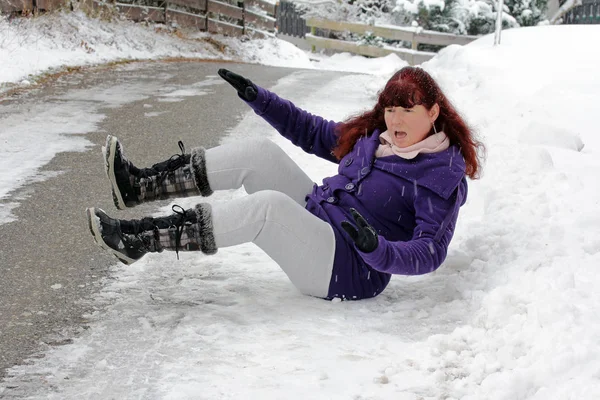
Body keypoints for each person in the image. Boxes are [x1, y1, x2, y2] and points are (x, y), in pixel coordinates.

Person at [86, 66, 484, 301]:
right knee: (260, 153)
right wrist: (259, 98)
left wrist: (377, 250)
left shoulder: (440, 176)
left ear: (433, 112)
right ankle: (139, 187)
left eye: (407, 111)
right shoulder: (374, 137)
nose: (395, 120)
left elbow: (430, 251)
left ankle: (139, 239)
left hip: (349, 268)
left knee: (269, 209)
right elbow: (311, 132)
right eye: (390, 109)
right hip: (320, 217)